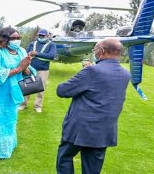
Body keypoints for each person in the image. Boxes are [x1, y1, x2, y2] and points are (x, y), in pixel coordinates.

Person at [56, 38, 131, 174]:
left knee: (65, 157)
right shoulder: (126, 74)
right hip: (104, 129)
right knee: (92, 168)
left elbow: (62, 91)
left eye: (95, 49)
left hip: (80, 127)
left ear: (102, 51)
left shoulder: (92, 71)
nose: (94, 52)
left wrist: (85, 72)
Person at [0, 27, 37, 159]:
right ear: (4, 38)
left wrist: (26, 67)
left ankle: (8, 145)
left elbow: (27, 71)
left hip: (12, 91)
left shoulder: (21, 51)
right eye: (13, 38)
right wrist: (19, 68)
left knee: (9, 119)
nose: (16, 41)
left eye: (18, 38)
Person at [19, 29, 57, 113]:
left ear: (47, 36)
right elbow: (25, 54)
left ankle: (38, 106)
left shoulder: (51, 44)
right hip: (30, 68)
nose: (41, 37)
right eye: (40, 35)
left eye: (43, 36)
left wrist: (37, 54)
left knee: (41, 88)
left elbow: (52, 55)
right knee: (26, 86)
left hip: (43, 69)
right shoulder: (33, 43)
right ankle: (22, 104)